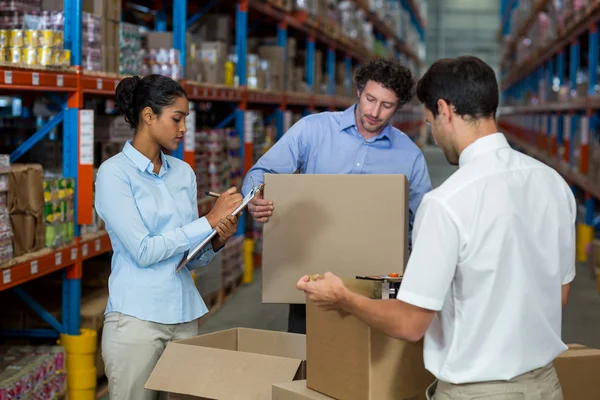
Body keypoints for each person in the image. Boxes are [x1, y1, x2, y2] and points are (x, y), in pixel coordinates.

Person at [296, 56, 575, 400]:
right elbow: (557, 295)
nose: (434, 135)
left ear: (444, 110)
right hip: (545, 387)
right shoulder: (553, 183)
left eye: (430, 122)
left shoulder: (447, 202)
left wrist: (343, 297)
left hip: (476, 392)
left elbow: (410, 324)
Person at [242, 58, 432, 334]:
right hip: (314, 275)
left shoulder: (410, 156)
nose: (375, 111)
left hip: (375, 288)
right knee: (305, 362)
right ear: (358, 92)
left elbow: (423, 227)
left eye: (386, 105)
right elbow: (261, 171)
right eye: (370, 99)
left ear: (398, 107)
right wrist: (255, 197)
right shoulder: (313, 130)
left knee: (365, 371)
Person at [95, 74, 243, 400]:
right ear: (148, 116)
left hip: (184, 316)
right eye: (177, 118)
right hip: (136, 322)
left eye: (185, 120)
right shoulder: (113, 174)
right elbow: (144, 251)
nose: (183, 129)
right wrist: (208, 220)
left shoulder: (183, 173)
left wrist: (216, 237)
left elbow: (187, 255)